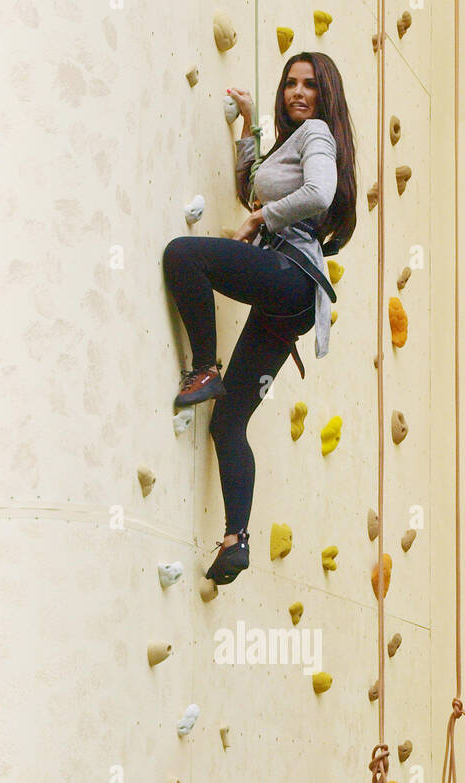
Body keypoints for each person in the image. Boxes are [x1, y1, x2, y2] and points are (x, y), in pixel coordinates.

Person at [162, 52, 356, 585]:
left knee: (184, 255)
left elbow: (319, 192)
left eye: (310, 85)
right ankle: (235, 540)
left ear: (325, 95)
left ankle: (204, 367)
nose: (298, 93)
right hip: (287, 303)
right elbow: (252, 190)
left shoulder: (317, 133)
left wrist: (261, 218)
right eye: (290, 84)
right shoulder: (294, 141)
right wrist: (249, 125)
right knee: (228, 421)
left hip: (290, 273)